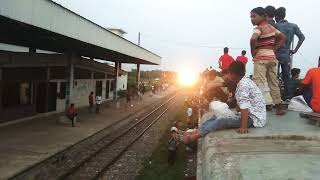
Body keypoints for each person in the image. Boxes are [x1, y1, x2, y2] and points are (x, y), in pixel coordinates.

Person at [174, 61, 266, 144]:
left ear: (233, 74)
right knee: (217, 116)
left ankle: (191, 138)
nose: (228, 76)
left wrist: (243, 127)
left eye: (229, 73)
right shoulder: (243, 82)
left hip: (254, 118)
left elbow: (244, 107)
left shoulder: (243, 86)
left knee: (222, 120)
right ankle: (193, 132)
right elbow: (241, 104)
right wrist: (236, 113)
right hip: (250, 114)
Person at [250, 7, 286, 115]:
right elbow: (283, 37)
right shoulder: (271, 27)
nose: (252, 19)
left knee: (259, 83)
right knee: (273, 82)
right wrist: (274, 49)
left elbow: (253, 39)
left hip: (261, 58)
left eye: (254, 16)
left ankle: (259, 107)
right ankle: (279, 106)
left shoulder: (258, 28)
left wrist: (253, 51)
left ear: (262, 16)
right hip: (272, 58)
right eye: (251, 17)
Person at [275, 7, 305, 100]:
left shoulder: (275, 26)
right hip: (286, 55)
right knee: (286, 77)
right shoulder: (293, 26)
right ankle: (287, 97)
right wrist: (295, 50)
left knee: (273, 77)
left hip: (275, 54)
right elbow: (302, 37)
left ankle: (274, 98)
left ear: (276, 16)